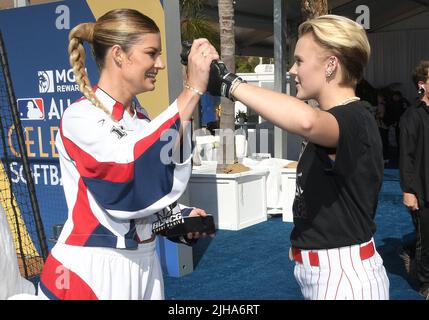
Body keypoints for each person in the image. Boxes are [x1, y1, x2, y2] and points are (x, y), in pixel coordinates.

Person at [37, 8, 218, 300]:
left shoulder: (142, 121)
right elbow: (125, 178)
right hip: (92, 269)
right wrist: (192, 89)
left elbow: (148, 197)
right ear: (119, 55)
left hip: (145, 266)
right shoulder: (80, 117)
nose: (159, 64)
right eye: (151, 53)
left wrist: (178, 218)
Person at [208, 14, 390, 299]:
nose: (292, 70)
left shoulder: (355, 117)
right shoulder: (342, 118)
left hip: (343, 278)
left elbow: (306, 121)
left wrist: (230, 84)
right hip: (326, 274)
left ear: (331, 64)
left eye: (300, 61)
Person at [399, 60, 429, 299]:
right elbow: (406, 156)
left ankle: (409, 249)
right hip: (422, 188)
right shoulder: (412, 115)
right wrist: (408, 190)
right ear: (422, 85)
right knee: (426, 240)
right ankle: (426, 283)